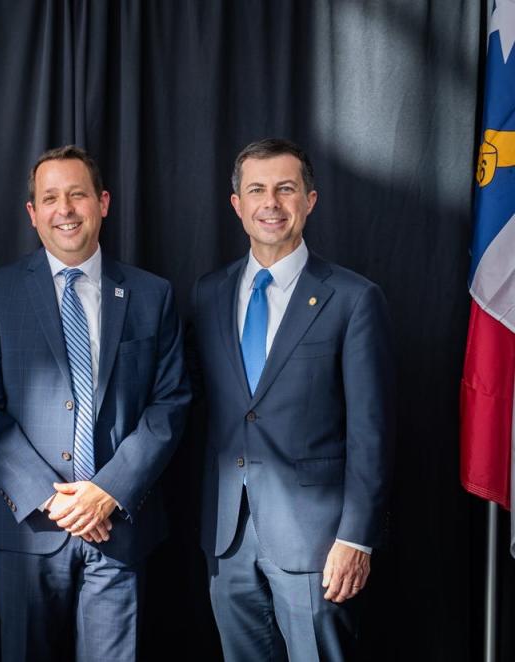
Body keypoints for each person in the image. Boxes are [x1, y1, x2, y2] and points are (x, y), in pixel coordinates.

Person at [0, 145, 191, 661]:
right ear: (32, 213)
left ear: (103, 202)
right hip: (28, 527)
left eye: (77, 195)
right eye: (50, 198)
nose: (64, 209)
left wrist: (108, 490)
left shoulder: (152, 295)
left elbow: (170, 402)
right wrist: (51, 496)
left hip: (119, 525)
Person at [191, 138, 394, 661]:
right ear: (236, 205)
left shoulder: (353, 298)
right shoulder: (208, 294)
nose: (271, 204)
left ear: (310, 200)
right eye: (256, 190)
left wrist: (357, 538)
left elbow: (372, 431)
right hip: (227, 537)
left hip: (318, 543)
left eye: (286, 189)